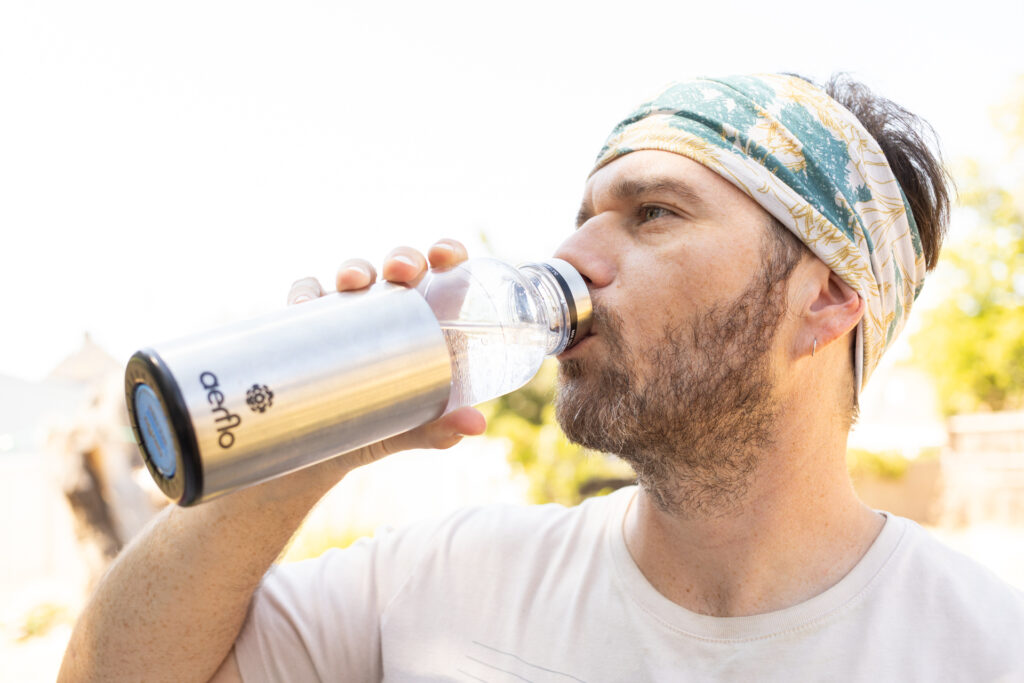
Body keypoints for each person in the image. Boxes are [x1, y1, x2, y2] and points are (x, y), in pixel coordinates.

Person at [60, 74, 1024, 682]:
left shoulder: (983, 648)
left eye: (651, 213)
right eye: (582, 215)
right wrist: (303, 442)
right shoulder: (439, 580)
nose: (573, 254)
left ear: (823, 300)